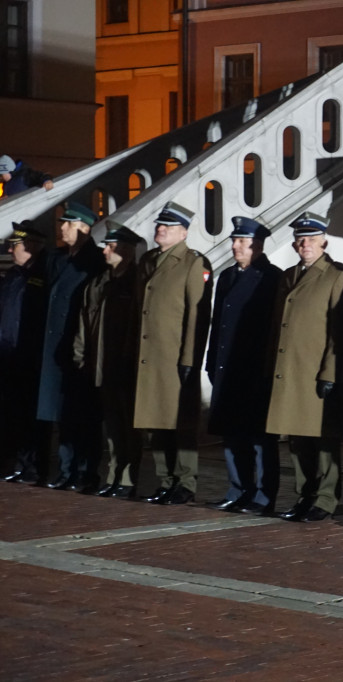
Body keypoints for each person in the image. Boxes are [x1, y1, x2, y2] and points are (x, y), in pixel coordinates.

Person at [266, 212, 343, 523]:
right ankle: (304, 495)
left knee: (323, 440)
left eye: (312, 239)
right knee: (298, 439)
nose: (306, 244)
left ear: (324, 242)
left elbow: (338, 330)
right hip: (290, 371)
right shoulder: (288, 275)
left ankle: (325, 499)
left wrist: (329, 371)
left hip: (316, 372)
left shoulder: (336, 275)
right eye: (301, 240)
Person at [134, 201, 213, 505]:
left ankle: (185, 482)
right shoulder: (150, 260)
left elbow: (197, 314)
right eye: (159, 224)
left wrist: (189, 358)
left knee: (180, 423)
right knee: (156, 421)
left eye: (167, 226)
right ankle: (165, 480)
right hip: (150, 357)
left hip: (175, 358)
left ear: (183, 233)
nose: (160, 229)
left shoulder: (194, 263)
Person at [205, 217, 282, 515]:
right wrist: (212, 360)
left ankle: (263, 495)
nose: (235, 246)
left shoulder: (271, 277)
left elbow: (272, 328)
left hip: (254, 369)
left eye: (242, 241)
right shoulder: (226, 277)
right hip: (228, 367)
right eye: (234, 241)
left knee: (260, 438)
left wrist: (267, 370)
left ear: (258, 245)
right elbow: (218, 324)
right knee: (232, 433)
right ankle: (237, 489)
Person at [73, 224, 144, 498]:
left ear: (125, 250)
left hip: (126, 365)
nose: (105, 250)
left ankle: (127, 479)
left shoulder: (137, 282)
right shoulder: (99, 283)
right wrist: (80, 357)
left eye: (110, 246)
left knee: (130, 427)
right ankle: (114, 476)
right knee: (113, 427)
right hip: (102, 366)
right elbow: (84, 323)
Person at [39, 202, 106, 493]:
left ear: (84, 228)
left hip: (80, 350)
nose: (62, 227)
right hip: (58, 348)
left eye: (68, 223)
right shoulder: (61, 258)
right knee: (64, 413)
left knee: (84, 415)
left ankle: (85, 472)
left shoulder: (94, 261)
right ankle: (67, 470)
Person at [0, 224, 49, 483]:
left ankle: (33, 465)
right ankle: (17, 462)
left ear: (32, 247)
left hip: (31, 358)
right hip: (8, 357)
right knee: (13, 414)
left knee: (33, 416)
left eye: (15, 245)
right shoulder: (13, 276)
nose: (10, 249)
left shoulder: (45, 275)